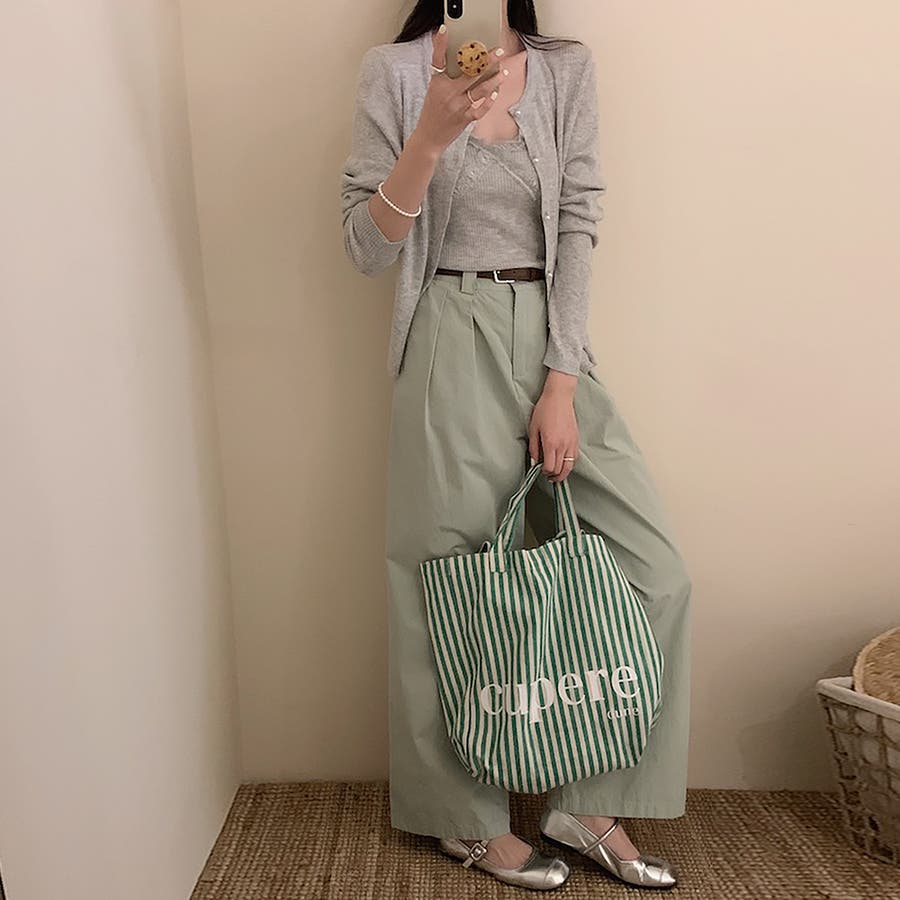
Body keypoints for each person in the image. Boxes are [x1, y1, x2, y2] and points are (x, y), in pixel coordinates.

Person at [340, 1, 692, 891]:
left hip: (550, 340)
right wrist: (429, 136)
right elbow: (365, 250)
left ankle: (589, 802)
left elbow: (578, 219)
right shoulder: (393, 72)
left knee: (656, 570)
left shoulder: (566, 69)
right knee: (444, 579)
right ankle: (461, 818)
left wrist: (562, 381)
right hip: (445, 327)